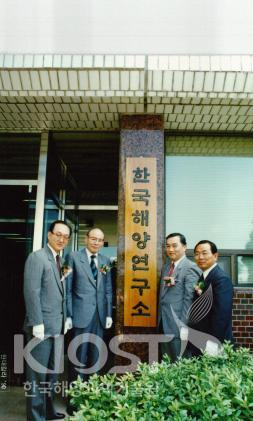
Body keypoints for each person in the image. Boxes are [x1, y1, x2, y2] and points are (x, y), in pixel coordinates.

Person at [23, 220, 72, 421]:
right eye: (58, 234)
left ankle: (48, 411)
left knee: (52, 375)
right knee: (36, 376)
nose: (62, 239)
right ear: (49, 234)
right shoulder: (37, 258)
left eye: (66, 236)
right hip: (41, 329)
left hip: (57, 328)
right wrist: (36, 322)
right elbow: (31, 292)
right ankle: (35, 417)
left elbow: (61, 294)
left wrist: (66, 317)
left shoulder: (59, 260)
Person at [66, 228, 113, 385]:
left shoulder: (105, 261)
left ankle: (92, 398)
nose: (96, 242)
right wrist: (68, 314)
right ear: (86, 239)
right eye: (93, 239)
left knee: (96, 356)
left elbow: (107, 289)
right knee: (78, 356)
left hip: (99, 316)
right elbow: (67, 288)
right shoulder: (72, 257)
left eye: (100, 240)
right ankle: (75, 399)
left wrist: (108, 314)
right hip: (80, 316)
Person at [158, 233, 201, 362]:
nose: (170, 249)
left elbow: (189, 300)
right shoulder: (167, 267)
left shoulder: (190, 268)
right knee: (166, 363)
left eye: (174, 246)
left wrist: (183, 327)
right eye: (168, 246)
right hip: (164, 323)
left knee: (180, 365)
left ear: (184, 247)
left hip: (178, 326)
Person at [188, 240, 234, 356]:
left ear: (215, 256)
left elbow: (221, 316)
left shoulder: (221, 279)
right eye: (197, 254)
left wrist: (212, 343)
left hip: (212, 343)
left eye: (204, 253)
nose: (200, 257)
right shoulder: (203, 276)